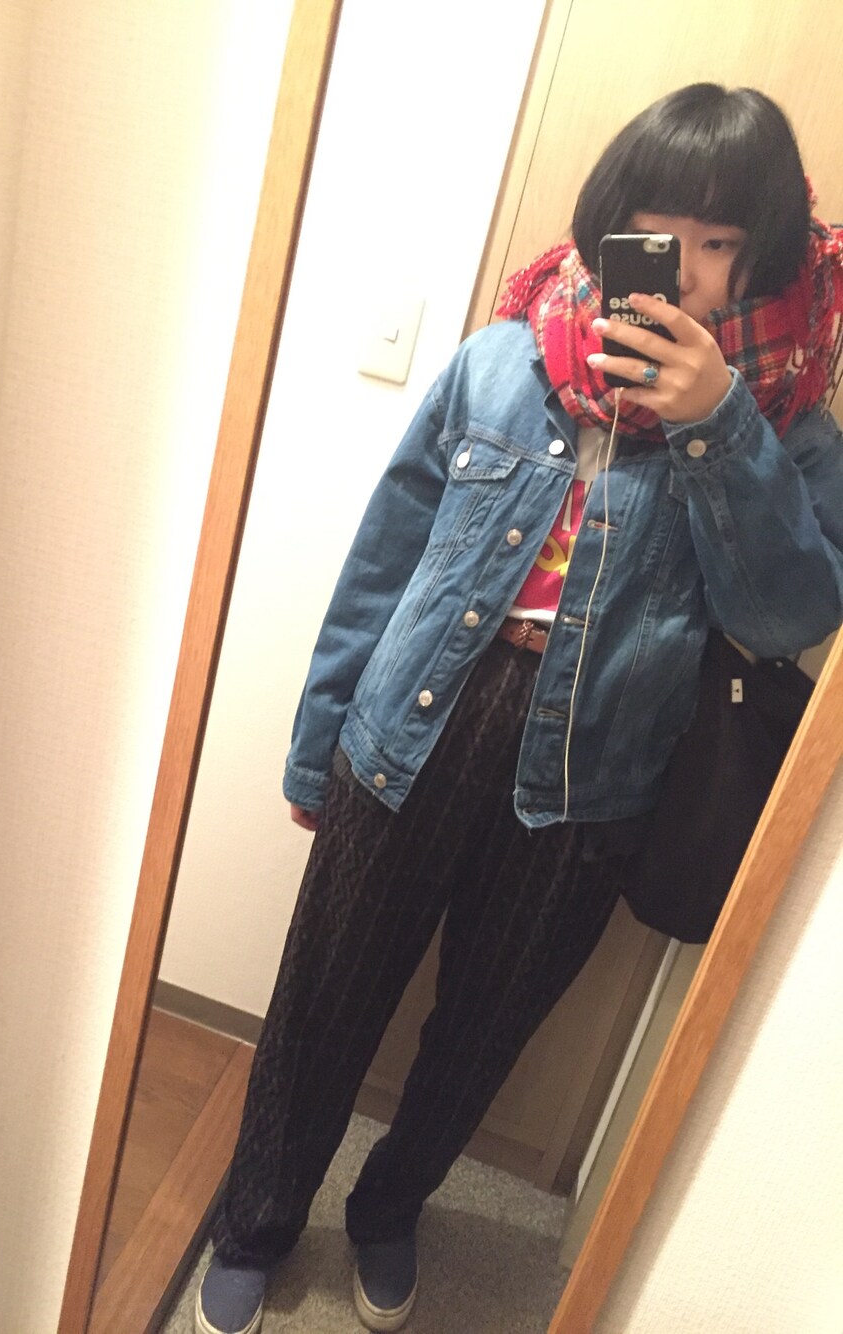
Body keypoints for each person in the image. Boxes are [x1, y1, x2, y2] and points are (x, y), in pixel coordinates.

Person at [195, 83, 843, 1334]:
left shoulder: (786, 429)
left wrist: (715, 426)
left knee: (484, 1027)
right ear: (610, 225)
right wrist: (319, 737)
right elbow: (384, 559)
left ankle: (390, 1205)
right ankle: (256, 1219)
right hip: (416, 725)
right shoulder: (499, 360)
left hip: (593, 775)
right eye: (661, 232)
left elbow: (786, 616)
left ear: (762, 256)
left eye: (720, 242)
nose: (685, 271)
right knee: (325, 995)